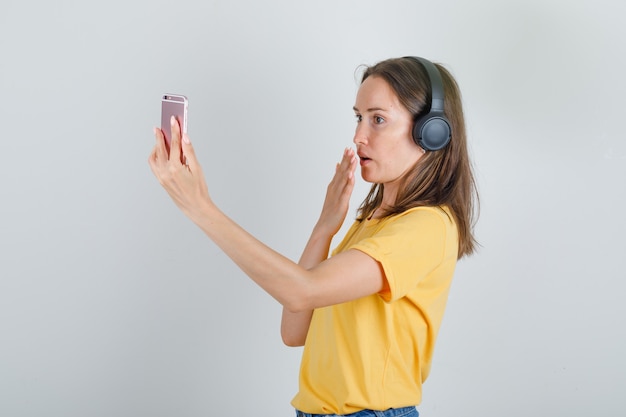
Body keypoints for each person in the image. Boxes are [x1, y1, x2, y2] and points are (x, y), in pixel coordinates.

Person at [148, 56, 478, 417]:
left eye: (378, 119)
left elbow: (302, 290)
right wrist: (325, 227)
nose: (358, 135)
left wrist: (202, 209)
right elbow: (294, 329)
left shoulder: (426, 226)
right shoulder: (372, 224)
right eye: (359, 117)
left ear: (431, 132)